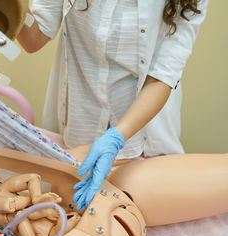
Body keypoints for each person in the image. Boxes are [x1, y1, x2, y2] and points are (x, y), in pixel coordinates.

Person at [17, 0, 209, 210]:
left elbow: (162, 76)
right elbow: (34, 37)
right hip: (80, 129)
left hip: (145, 135)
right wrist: (10, 6)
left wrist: (116, 137)